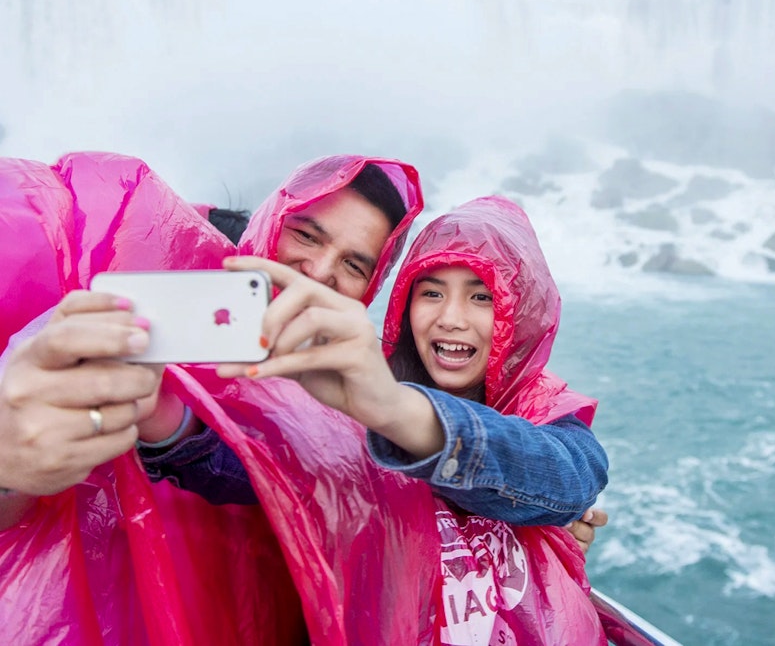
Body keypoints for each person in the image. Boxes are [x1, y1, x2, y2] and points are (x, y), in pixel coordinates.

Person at [0, 152, 423, 644]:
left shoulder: (345, 390)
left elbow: (298, 481)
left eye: (354, 264)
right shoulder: (119, 308)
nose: (320, 270)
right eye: (306, 235)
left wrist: (176, 429)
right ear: (271, 222)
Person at [215, 195, 611, 644]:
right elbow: (259, 467)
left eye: (482, 296)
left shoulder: (545, 411)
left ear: (522, 313)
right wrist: (173, 427)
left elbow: (571, 477)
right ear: (405, 304)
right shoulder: (357, 397)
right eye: (432, 293)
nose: (451, 318)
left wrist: (401, 414)